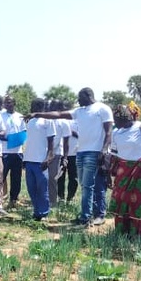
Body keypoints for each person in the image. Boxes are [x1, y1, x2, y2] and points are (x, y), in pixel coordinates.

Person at [29, 87, 113, 226]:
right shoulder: (79, 111)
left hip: (95, 152)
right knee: (86, 185)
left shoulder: (102, 109)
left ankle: (90, 216)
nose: (78, 100)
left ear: (88, 95)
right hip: (81, 152)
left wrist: (104, 150)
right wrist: (38, 114)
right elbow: (59, 114)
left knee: (89, 185)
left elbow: (108, 131)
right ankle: (90, 214)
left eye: (80, 97)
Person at [109, 102, 141, 236]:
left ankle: (139, 233)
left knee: (139, 201)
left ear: (125, 118)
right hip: (123, 172)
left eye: (116, 119)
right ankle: (122, 231)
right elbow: (114, 155)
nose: (115, 122)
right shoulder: (116, 133)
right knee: (121, 200)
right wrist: (109, 173)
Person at [23, 98, 56, 221]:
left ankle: (43, 213)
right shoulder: (30, 122)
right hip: (29, 160)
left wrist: (48, 159)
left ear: (40, 107)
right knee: (31, 188)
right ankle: (36, 212)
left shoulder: (48, 121)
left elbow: (51, 143)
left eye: (34, 105)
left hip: (41, 161)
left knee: (42, 189)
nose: (31, 107)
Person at [0, 95, 26, 209]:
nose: (7, 104)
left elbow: (23, 136)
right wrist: (13, 139)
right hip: (3, 151)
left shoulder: (20, 117)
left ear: (14, 103)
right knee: (1, 177)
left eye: (9, 102)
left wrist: (8, 138)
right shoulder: (0, 116)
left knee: (16, 178)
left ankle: (13, 200)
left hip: (17, 153)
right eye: (5, 103)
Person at [48, 100, 71, 206]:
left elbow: (66, 142)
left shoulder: (63, 122)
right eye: (50, 106)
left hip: (56, 153)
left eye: (53, 106)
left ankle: (52, 202)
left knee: (52, 178)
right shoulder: (45, 120)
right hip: (42, 153)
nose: (51, 108)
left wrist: (65, 157)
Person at [58, 118, 79, 203]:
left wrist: (72, 132)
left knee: (73, 177)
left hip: (74, 153)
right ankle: (61, 197)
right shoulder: (61, 121)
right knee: (60, 176)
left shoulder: (78, 122)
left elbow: (83, 136)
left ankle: (70, 197)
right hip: (61, 153)